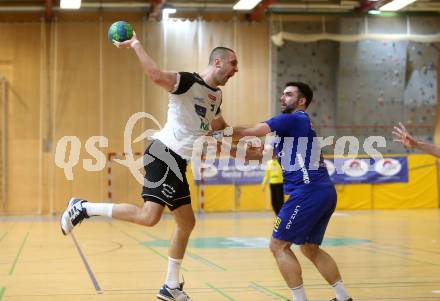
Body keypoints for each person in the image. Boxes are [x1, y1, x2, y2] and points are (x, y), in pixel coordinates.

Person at [60, 32, 238, 301]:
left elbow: (220, 129)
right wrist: (135, 43)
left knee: (186, 222)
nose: (236, 70)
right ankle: (83, 208)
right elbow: (156, 76)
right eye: (233, 63)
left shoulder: (216, 96)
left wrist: (252, 137)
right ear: (218, 62)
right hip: (164, 154)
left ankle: (171, 286)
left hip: (179, 162)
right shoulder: (187, 82)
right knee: (149, 217)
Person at [233, 82, 352, 301]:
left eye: (288, 94)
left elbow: (246, 132)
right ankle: (343, 297)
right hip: (322, 191)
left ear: (301, 101)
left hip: (307, 192)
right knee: (309, 248)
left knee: (278, 245)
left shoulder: (294, 119)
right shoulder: (287, 131)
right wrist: (225, 147)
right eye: (282, 93)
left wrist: (213, 130)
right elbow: (260, 155)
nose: (282, 97)